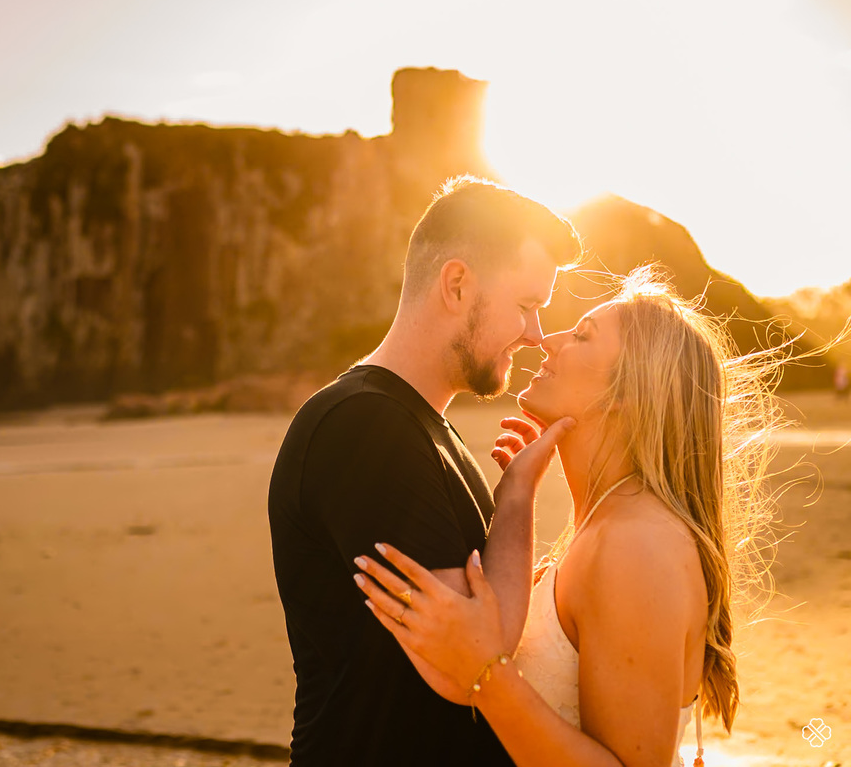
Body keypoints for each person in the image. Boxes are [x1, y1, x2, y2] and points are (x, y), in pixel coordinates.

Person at [354, 267, 781, 767]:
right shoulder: (607, 523)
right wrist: (517, 494)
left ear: (628, 391)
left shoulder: (636, 543)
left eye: (581, 336)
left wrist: (484, 673)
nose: (548, 341)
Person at [268, 175, 582, 765]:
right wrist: (515, 495)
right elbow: (470, 664)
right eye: (525, 306)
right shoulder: (366, 426)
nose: (536, 335)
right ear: (457, 284)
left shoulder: (421, 428)